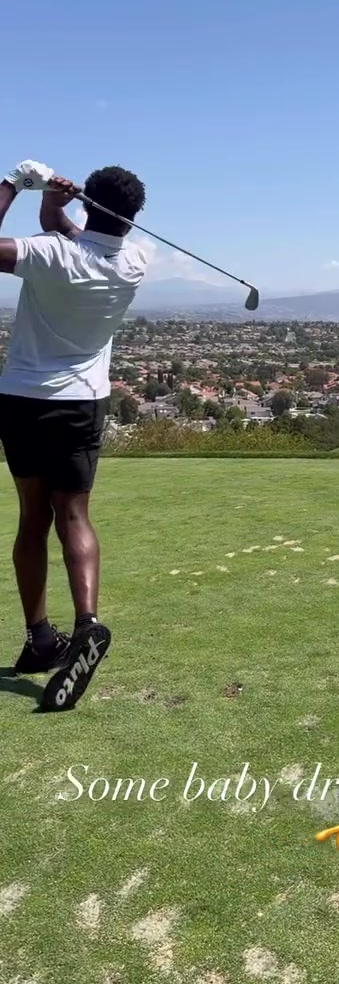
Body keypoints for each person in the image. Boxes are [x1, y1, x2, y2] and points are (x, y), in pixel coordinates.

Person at [0, 159, 147, 710]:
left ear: (91, 203)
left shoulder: (46, 255)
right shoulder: (132, 263)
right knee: (75, 516)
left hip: (24, 401)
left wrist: (14, 184)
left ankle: (40, 637)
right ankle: (86, 623)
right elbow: (81, 238)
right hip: (85, 403)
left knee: (32, 520)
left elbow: (57, 242)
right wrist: (56, 206)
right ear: (131, 218)